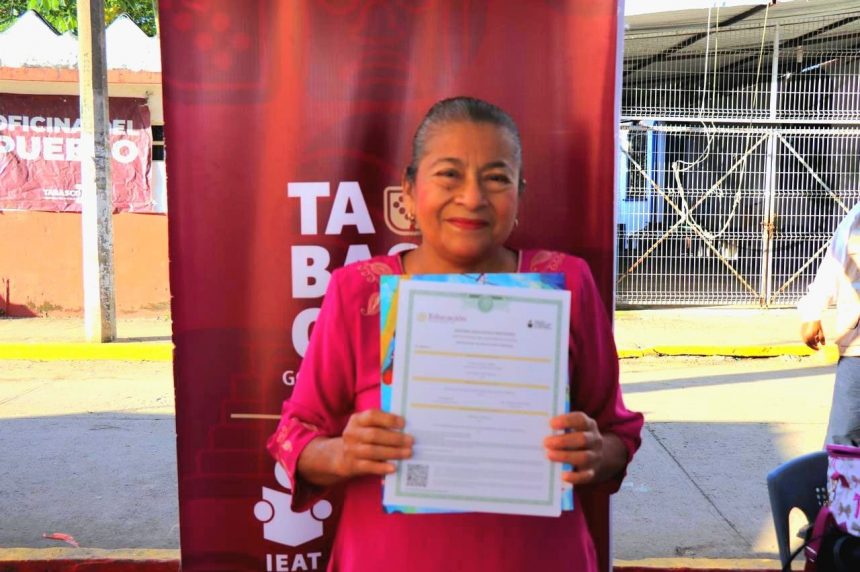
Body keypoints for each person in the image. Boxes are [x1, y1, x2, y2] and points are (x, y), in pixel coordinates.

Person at [267, 96, 644, 571]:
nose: (472, 198)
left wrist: (593, 452)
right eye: (449, 174)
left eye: (496, 178)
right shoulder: (357, 291)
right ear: (409, 191)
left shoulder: (567, 283)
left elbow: (617, 432)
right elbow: (292, 436)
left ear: (520, 194)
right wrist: (344, 453)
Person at [799, 201, 860, 444]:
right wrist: (812, 311)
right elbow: (834, 263)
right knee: (845, 437)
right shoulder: (857, 217)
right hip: (857, 348)